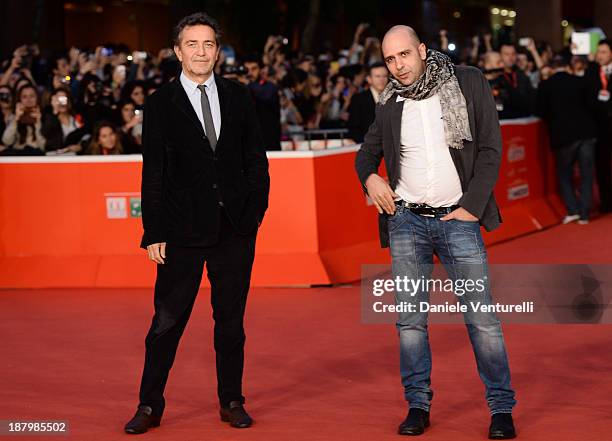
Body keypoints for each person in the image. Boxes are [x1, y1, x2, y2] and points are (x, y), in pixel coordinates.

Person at [355, 26, 517, 438]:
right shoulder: (390, 100)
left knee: (482, 320)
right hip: (407, 221)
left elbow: (491, 148)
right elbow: (366, 154)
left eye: (405, 55)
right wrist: (370, 179)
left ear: (422, 50)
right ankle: (417, 405)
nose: (399, 66)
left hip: (457, 219)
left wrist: (470, 209)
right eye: (390, 60)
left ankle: (501, 409)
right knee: (410, 321)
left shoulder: (468, 81)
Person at [124, 12, 270, 434]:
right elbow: (153, 172)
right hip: (181, 233)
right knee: (166, 323)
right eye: (192, 44)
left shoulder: (240, 97)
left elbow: (255, 161)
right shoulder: (159, 103)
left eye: (208, 44)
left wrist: (253, 214)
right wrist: (153, 231)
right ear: (177, 51)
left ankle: (232, 399)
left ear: (217, 51)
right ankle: (149, 405)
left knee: (231, 323)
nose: (201, 52)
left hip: (234, 230)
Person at [537, 56, 597, 224]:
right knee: (587, 173)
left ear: (551, 67)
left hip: (563, 136)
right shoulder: (580, 82)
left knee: (564, 174)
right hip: (586, 133)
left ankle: (573, 210)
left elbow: (539, 111)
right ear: (567, 66)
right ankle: (585, 213)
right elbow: (592, 105)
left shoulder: (546, 85)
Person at [586, 39, 612, 213]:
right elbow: (586, 97)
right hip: (599, 129)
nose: (600, 55)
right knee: (602, 166)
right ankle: (607, 202)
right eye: (599, 52)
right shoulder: (592, 71)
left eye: (603, 52)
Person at [244, 55, 281, 150]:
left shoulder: (270, 87)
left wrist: (247, 85)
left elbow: (265, 96)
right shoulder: (239, 88)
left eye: (254, 69)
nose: (250, 73)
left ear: (261, 70)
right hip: (247, 142)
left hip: (268, 141)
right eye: (246, 69)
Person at [347, 61, 388, 143]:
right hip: (368, 148)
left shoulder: (395, 98)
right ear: (369, 79)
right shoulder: (358, 99)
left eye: (384, 76)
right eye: (377, 76)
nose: (381, 80)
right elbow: (353, 128)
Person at [1, 83, 45, 155]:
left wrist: (38, 123)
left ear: (37, 98)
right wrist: (16, 119)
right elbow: (6, 141)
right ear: (20, 100)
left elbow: (44, 147)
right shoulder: (14, 117)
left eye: (32, 96)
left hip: (37, 156)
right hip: (18, 156)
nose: (28, 100)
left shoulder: (45, 117)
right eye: (24, 97)